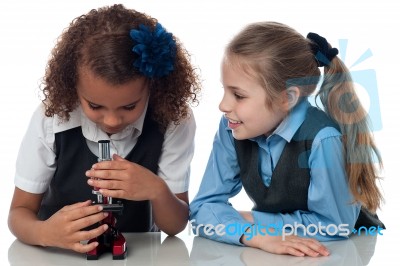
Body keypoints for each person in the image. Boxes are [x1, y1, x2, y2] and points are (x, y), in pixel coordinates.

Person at [8, 4, 200, 254]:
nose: (111, 121)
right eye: (95, 105)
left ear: (153, 87)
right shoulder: (52, 118)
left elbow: (174, 227)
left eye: (129, 106)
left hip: (141, 253)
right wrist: (43, 233)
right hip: (58, 254)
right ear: (72, 87)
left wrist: (157, 189)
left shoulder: (174, 119)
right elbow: (18, 213)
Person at [189, 21, 384, 257]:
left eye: (238, 95)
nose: (223, 105)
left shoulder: (323, 140)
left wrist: (254, 220)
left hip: (346, 249)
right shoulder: (232, 127)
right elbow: (202, 209)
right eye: (225, 91)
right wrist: (253, 234)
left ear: (287, 98)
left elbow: (335, 226)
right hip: (282, 249)